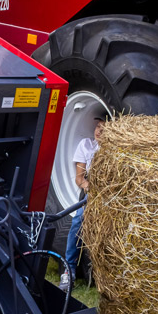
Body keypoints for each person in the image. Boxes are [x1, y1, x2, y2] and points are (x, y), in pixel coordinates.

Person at [61, 116, 104, 292]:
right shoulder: (86, 145)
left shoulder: (114, 151)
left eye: (104, 128)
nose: (99, 131)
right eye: (98, 126)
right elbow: (79, 178)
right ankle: (69, 269)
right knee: (78, 221)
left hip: (110, 193)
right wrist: (88, 186)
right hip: (91, 192)